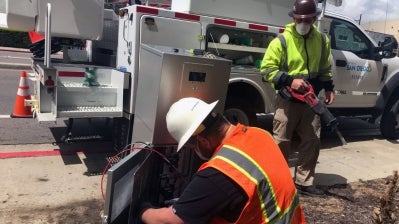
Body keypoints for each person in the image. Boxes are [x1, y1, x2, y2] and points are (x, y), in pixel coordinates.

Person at [140, 97, 306, 223]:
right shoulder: (259, 134)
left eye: (192, 147)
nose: (194, 151)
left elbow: (171, 221)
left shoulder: (220, 172)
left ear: (202, 141)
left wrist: (143, 211)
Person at [260, 0, 334, 196]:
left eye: (307, 19)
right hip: (287, 100)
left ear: (314, 18)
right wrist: (289, 80)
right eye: (299, 19)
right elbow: (266, 70)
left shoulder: (322, 40)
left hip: (311, 101)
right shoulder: (281, 41)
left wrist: (328, 88)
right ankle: (278, 180)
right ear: (293, 17)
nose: (303, 23)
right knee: (281, 140)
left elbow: (326, 68)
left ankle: (304, 181)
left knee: (311, 140)